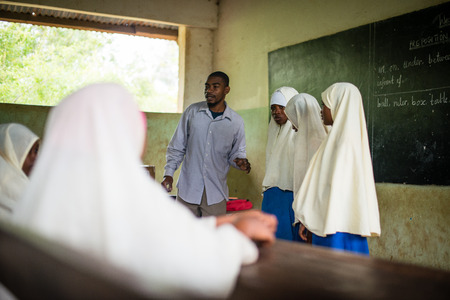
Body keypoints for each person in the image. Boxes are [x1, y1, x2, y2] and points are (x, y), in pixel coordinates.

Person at [12, 83, 277, 298]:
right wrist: (236, 238)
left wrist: (224, 222)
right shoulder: (129, 195)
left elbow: (167, 231)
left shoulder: (35, 198)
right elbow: (197, 267)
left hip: (215, 190)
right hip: (191, 189)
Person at [293, 83, 381, 255]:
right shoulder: (336, 141)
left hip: (335, 228)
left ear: (338, 105)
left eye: (325, 104)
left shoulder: (344, 145)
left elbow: (331, 192)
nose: (322, 110)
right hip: (333, 224)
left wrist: (309, 218)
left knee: (339, 275)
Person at [161, 71, 251, 217]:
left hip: (215, 193)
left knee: (212, 237)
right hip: (188, 191)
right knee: (182, 236)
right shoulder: (192, 112)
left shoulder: (236, 122)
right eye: (207, 87)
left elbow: (237, 153)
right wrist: (169, 174)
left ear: (226, 90)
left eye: (215, 87)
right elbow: (177, 147)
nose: (209, 91)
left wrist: (240, 162)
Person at [284, 93, 328, 242]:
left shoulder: (315, 142)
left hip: (317, 215)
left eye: (293, 119)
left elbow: (310, 184)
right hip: (313, 215)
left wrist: (306, 217)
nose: (292, 125)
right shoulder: (314, 138)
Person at [261, 87, 300, 241]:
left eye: (281, 108)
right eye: (273, 108)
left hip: (291, 197)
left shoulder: (299, 134)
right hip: (272, 197)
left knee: (292, 248)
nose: (276, 112)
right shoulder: (273, 132)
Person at [0, 123, 39, 220]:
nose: (35, 157)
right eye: (26, 151)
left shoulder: (31, 186)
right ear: (9, 153)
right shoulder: (10, 186)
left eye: (35, 150)